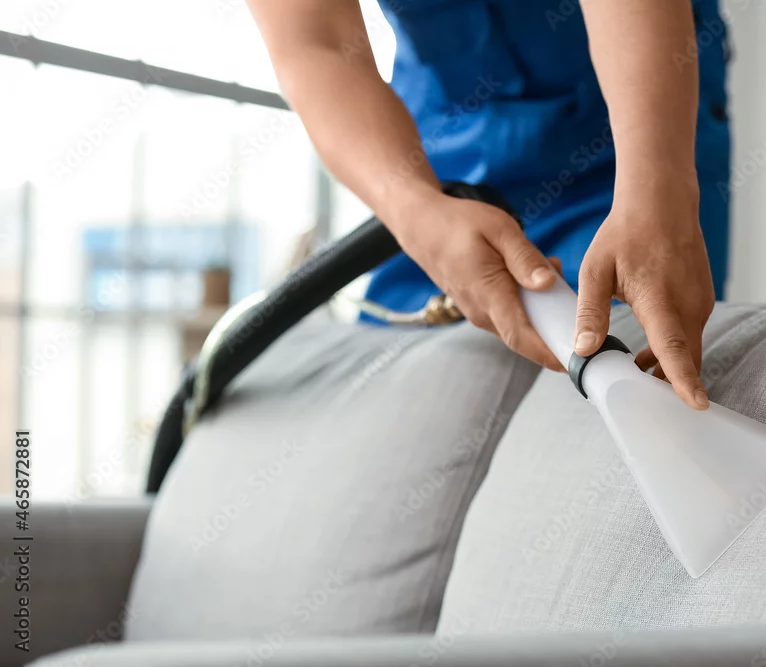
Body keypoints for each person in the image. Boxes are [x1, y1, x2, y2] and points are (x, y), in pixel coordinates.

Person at [247, 0, 731, 410]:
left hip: (631, 117)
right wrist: (414, 210)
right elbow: (317, 44)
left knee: (632, 364)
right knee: (403, 391)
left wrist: (654, 190)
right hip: (439, 146)